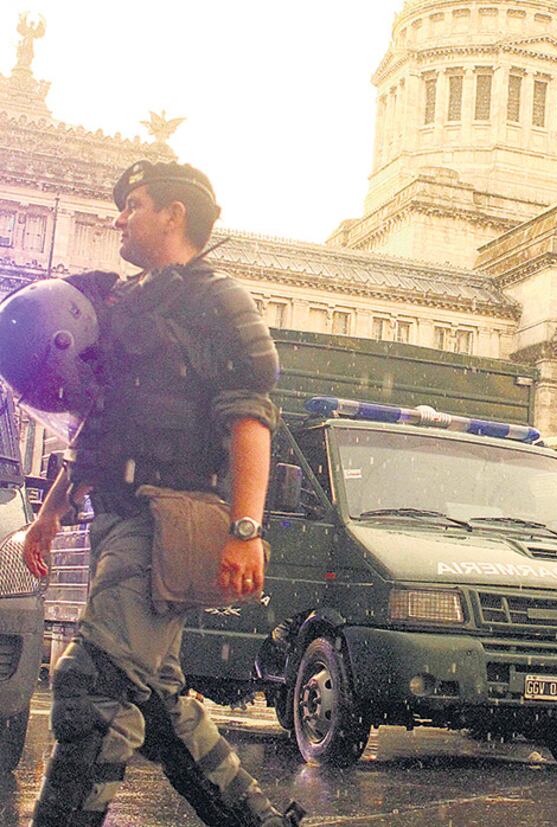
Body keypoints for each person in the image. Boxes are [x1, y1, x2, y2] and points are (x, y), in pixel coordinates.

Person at [20, 160, 303, 826]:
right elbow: (100, 428)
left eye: (136, 204)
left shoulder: (218, 300)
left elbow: (250, 419)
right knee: (155, 699)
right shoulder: (127, 302)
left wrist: (245, 529)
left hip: (167, 522)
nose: (120, 217)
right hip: (119, 522)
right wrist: (51, 513)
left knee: (93, 688)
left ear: (174, 215)